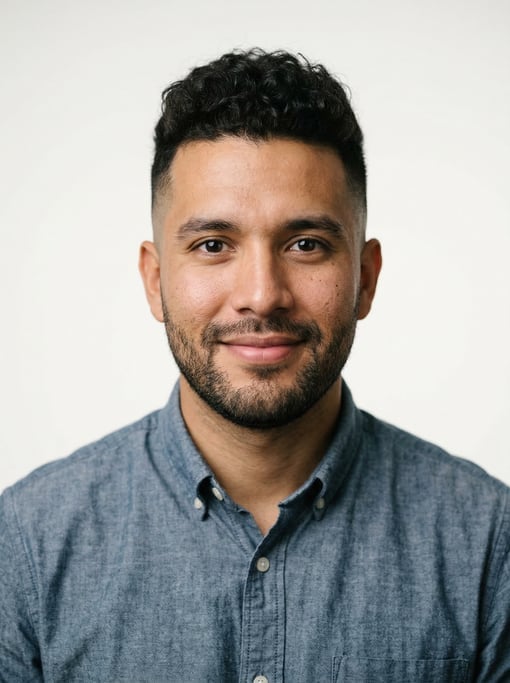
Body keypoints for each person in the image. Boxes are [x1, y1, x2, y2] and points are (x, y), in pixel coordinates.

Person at [0, 49, 508, 683]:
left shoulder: (488, 542)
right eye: (214, 245)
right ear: (156, 281)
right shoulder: (25, 543)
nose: (263, 294)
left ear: (365, 279)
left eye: (306, 244)